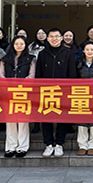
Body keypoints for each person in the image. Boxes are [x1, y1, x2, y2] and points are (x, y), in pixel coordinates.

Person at [36, 28, 76, 157]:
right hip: (46, 91)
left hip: (63, 91)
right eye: (51, 37)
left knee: (62, 118)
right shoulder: (42, 54)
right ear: (47, 39)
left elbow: (72, 73)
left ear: (61, 38)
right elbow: (38, 73)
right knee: (46, 118)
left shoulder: (68, 53)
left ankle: (59, 143)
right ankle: (48, 144)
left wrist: (69, 90)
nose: (54, 39)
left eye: (57, 36)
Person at [0, 35, 36, 158]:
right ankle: (11, 147)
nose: (19, 46)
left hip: (23, 92)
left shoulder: (31, 59)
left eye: (22, 44)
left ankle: (22, 147)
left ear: (25, 45)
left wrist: (20, 85)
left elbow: (31, 76)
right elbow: (1, 75)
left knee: (23, 120)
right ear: (12, 45)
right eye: (16, 44)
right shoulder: (5, 59)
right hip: (8, 92)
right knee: (10, 120)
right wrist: (9, 85)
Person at [76, 42, 93, 156]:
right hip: (82, 94)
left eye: (92, 49)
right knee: (81, 119)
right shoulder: (78, 63)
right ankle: (82, 145)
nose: (89, 51)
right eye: (87, 49)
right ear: (84, 51)